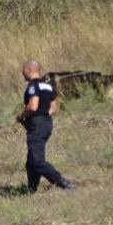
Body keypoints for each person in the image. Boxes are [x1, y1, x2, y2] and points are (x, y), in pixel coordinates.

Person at [16, 60, 75, 192]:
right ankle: (31, 190)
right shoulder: (47, 86)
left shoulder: (33, 86)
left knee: (37, 162)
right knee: (31, 162)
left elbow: (32, 106)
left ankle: (64, 183)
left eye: (23, 71)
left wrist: (21, 116)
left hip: (37, 125)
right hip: (47, 123)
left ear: (29, 70)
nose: (22, 74)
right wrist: (43, 115)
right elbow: (54, 107)